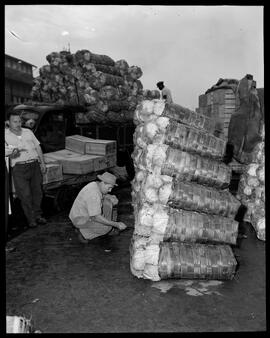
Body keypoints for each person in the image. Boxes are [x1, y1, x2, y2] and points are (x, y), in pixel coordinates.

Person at [5, 110, 47, 229]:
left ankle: (38, 215)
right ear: (8, 122)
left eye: (19, 121)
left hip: (34, 165)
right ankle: (31, 219)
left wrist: (42, 163)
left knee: (37, 193)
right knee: (25, 195)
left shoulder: (28, 132)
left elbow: (38, 147)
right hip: (19, 168)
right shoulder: (5, 135)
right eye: (15, 121)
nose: (18, 124)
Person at [69, 172, 127, 243]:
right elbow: (95, 217)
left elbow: (100, 196)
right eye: (109, 188)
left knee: (109, 201)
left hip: (82, 214)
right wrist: (116, 224)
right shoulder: (94, 195)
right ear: (103, 182)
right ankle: (83, 232)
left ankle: (109, 227)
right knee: (106, 228)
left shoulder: (95, 184)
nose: (110, 190)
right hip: (80, 219)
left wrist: (109, 196)